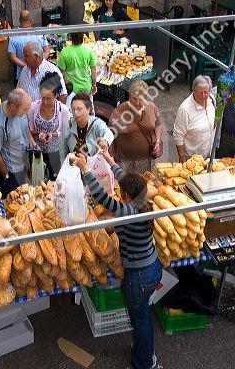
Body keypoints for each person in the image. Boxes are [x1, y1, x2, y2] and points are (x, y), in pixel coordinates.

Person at [72, 149, 162, 369]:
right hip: (153, 267)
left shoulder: (128, 212)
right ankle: (145, 351)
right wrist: (108, 158)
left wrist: (85, 169)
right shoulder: (143, 202)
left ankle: (145, 362)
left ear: (128, 196)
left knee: (140, 321)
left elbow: (102, 197)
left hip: (139, 277)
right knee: (143, 316)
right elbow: (125, 179)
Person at [109, 80, 163, 173]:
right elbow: (109, 134)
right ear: (129, 96)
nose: (137, 102)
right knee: (126, 185)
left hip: (145, 160)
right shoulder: (120, 112)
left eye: (141, 99)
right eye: (134, 98)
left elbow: (158, 125)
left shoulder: (151, 107)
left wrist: (157, 140)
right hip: (125, 161)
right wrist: (111, 155)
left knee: (145, 183)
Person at [0, 88, 33, 198]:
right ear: (13, 106)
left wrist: (30, 139)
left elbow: (25, 124)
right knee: (14, 204)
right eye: (25, 109)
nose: (27, 112)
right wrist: (6, 175)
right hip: (11, 171)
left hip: (23, 164)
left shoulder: (20, 111)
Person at [28, 72, 70, 180]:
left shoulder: (63, 110)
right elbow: (29, 129)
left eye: (49, 98)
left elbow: (67, 133)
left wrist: (53, 135)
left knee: (55, 182)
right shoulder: (33, 107)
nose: (45, 101)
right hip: (37, 151)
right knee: (37, 181)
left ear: (56, 95)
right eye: (43, 97)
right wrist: (39, 134)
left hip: (56, 153)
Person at [59, 92, 114, 164]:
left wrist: (105, 141)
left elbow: (109, 133)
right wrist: (64, 167)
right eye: (73, 109)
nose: (75, 113)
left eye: (79, 109)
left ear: (88, 109)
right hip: (75, 166)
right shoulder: (68, 125)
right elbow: (62, 150)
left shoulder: (96, 123)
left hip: (93, 166)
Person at [173, 75, 215, 162]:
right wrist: (182, 158)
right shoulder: (185, 109)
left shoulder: (211, 99)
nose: (204, 96)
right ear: (193, 91)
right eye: (200, 93)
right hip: (192, 159)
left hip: (209, 155)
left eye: (206, 92)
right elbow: (178, 135)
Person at [8, 10, 50, 84]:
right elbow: (47, 51)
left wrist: (25, 66)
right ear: (31, 20)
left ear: (19, 20)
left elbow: (12, 57)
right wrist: (38, 64)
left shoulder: (13, 36)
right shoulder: (39, 33)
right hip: (39, 74)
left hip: (22, 75)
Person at [57, 32, 97, 96]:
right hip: (86, 87)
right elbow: (93, 71)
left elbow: (61, 72)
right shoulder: (89, 50)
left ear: (71, 38)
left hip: (71, 89)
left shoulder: (65, 51)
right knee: (86, 105)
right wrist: (94, 85)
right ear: (82, 38)